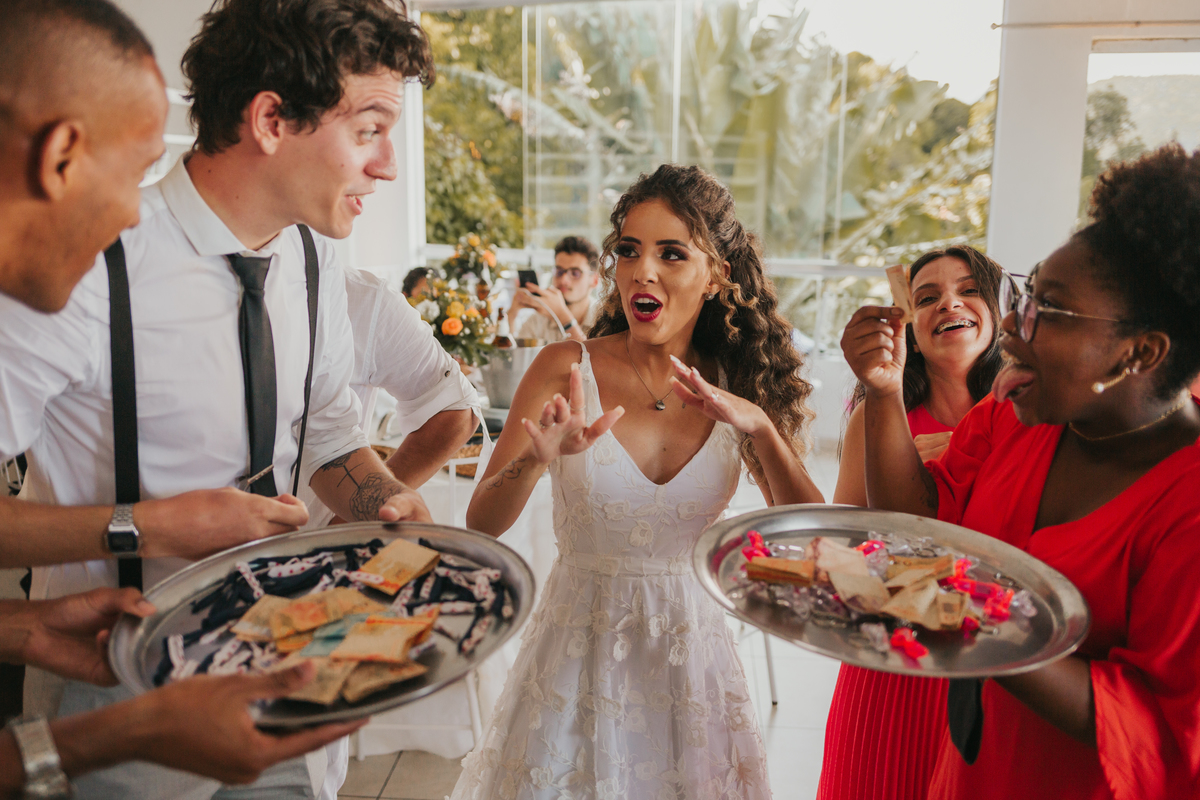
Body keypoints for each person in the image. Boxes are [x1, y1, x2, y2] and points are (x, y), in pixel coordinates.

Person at [0, 0, 437, 797]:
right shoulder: (80, 256)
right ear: (271, 120)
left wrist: (384, 500)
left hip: (283, 659)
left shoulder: (316, 256)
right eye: (370, 129)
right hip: (114, 679)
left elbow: (326, 428)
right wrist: (153, 524)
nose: (388, 166)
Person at [452, 164, 825, 799]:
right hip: (575, 660)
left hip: (691, 667)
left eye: (671, 254)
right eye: (629, 250)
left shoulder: (737, 383)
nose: (641, 272)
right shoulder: (562, 367)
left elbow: (809, 536)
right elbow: (482, 520)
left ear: (716, 276)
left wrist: (761, 427)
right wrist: (536, 459)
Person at [841, 143, 1200, 799]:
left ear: (1140, 352)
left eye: (1049, 311)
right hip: (967, 775)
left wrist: (967, 616)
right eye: (1027, 295)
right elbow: (916, 524)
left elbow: (1164, 734)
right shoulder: (1015, 415)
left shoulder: (1187, 505)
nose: (1010, 325)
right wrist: (886, 391)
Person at [822, 246, 1002, 800]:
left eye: (969, 290)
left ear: (998, 313)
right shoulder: (876, 419)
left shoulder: (1028, 417)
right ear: (911, 332)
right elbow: (843, 548)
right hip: (889, 666)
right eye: (927, 298)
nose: (950, 303)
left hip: (992, 671)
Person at [510, 235, 600, 343]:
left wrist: (563, 317)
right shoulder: (538, 320)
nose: (563, 280)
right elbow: (515, 353)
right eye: (559, 271)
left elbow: (589, 353)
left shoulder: (605, 320)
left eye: (575, 273)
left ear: (594, 280)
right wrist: (512, 315)